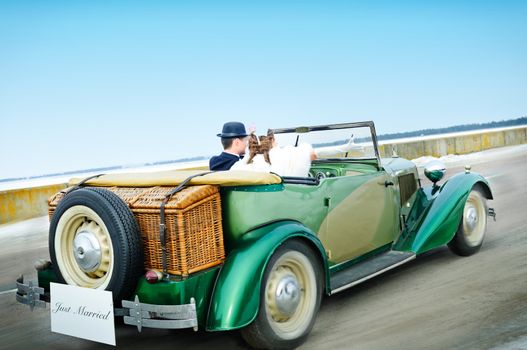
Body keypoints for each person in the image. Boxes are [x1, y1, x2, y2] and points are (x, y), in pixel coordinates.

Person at [231, 131, 363, 177]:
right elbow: (317, 153)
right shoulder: (286, 155)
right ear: (272, 142)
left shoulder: (246, 163)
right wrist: (345, 148)